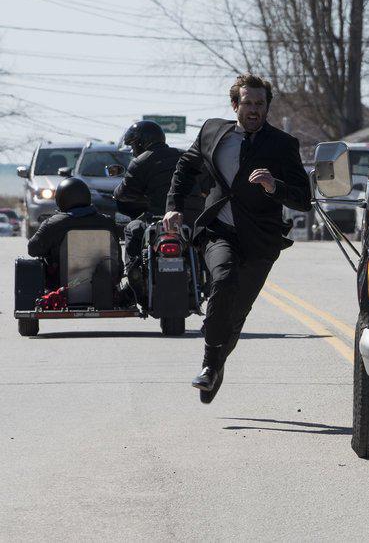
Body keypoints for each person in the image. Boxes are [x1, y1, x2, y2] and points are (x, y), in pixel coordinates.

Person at [163, 73, 311, 404]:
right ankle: (208, 364)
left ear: (267, 106)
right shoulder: (213, 132)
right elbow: (185, 168)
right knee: (224, 280)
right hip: (219, 229)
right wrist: (173, 207)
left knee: (237, 313)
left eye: (260, 104)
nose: (254, 110)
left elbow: (304, 197)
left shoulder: (282, 145)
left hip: (260, 241)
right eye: (248, 103)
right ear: (235, 105)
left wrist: (275, 187)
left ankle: (216, 364)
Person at [113, 120, 207, 299]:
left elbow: (124, 192)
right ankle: (206, 278)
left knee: (132, 230)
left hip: (160, 218)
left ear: (141, 142)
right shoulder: (186, 156)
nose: (132, 150)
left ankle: (134, 279)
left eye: (133, 145)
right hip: (192, 218)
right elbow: (206, 184)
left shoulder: (141, 161)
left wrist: (118, 193)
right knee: (203, 241)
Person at [28, 177, 119, 285]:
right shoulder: (107, 222)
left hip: (62, 288)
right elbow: (117, 256)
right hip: (106, 288)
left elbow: (33, 250)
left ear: (61, 199)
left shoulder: (53, 224)